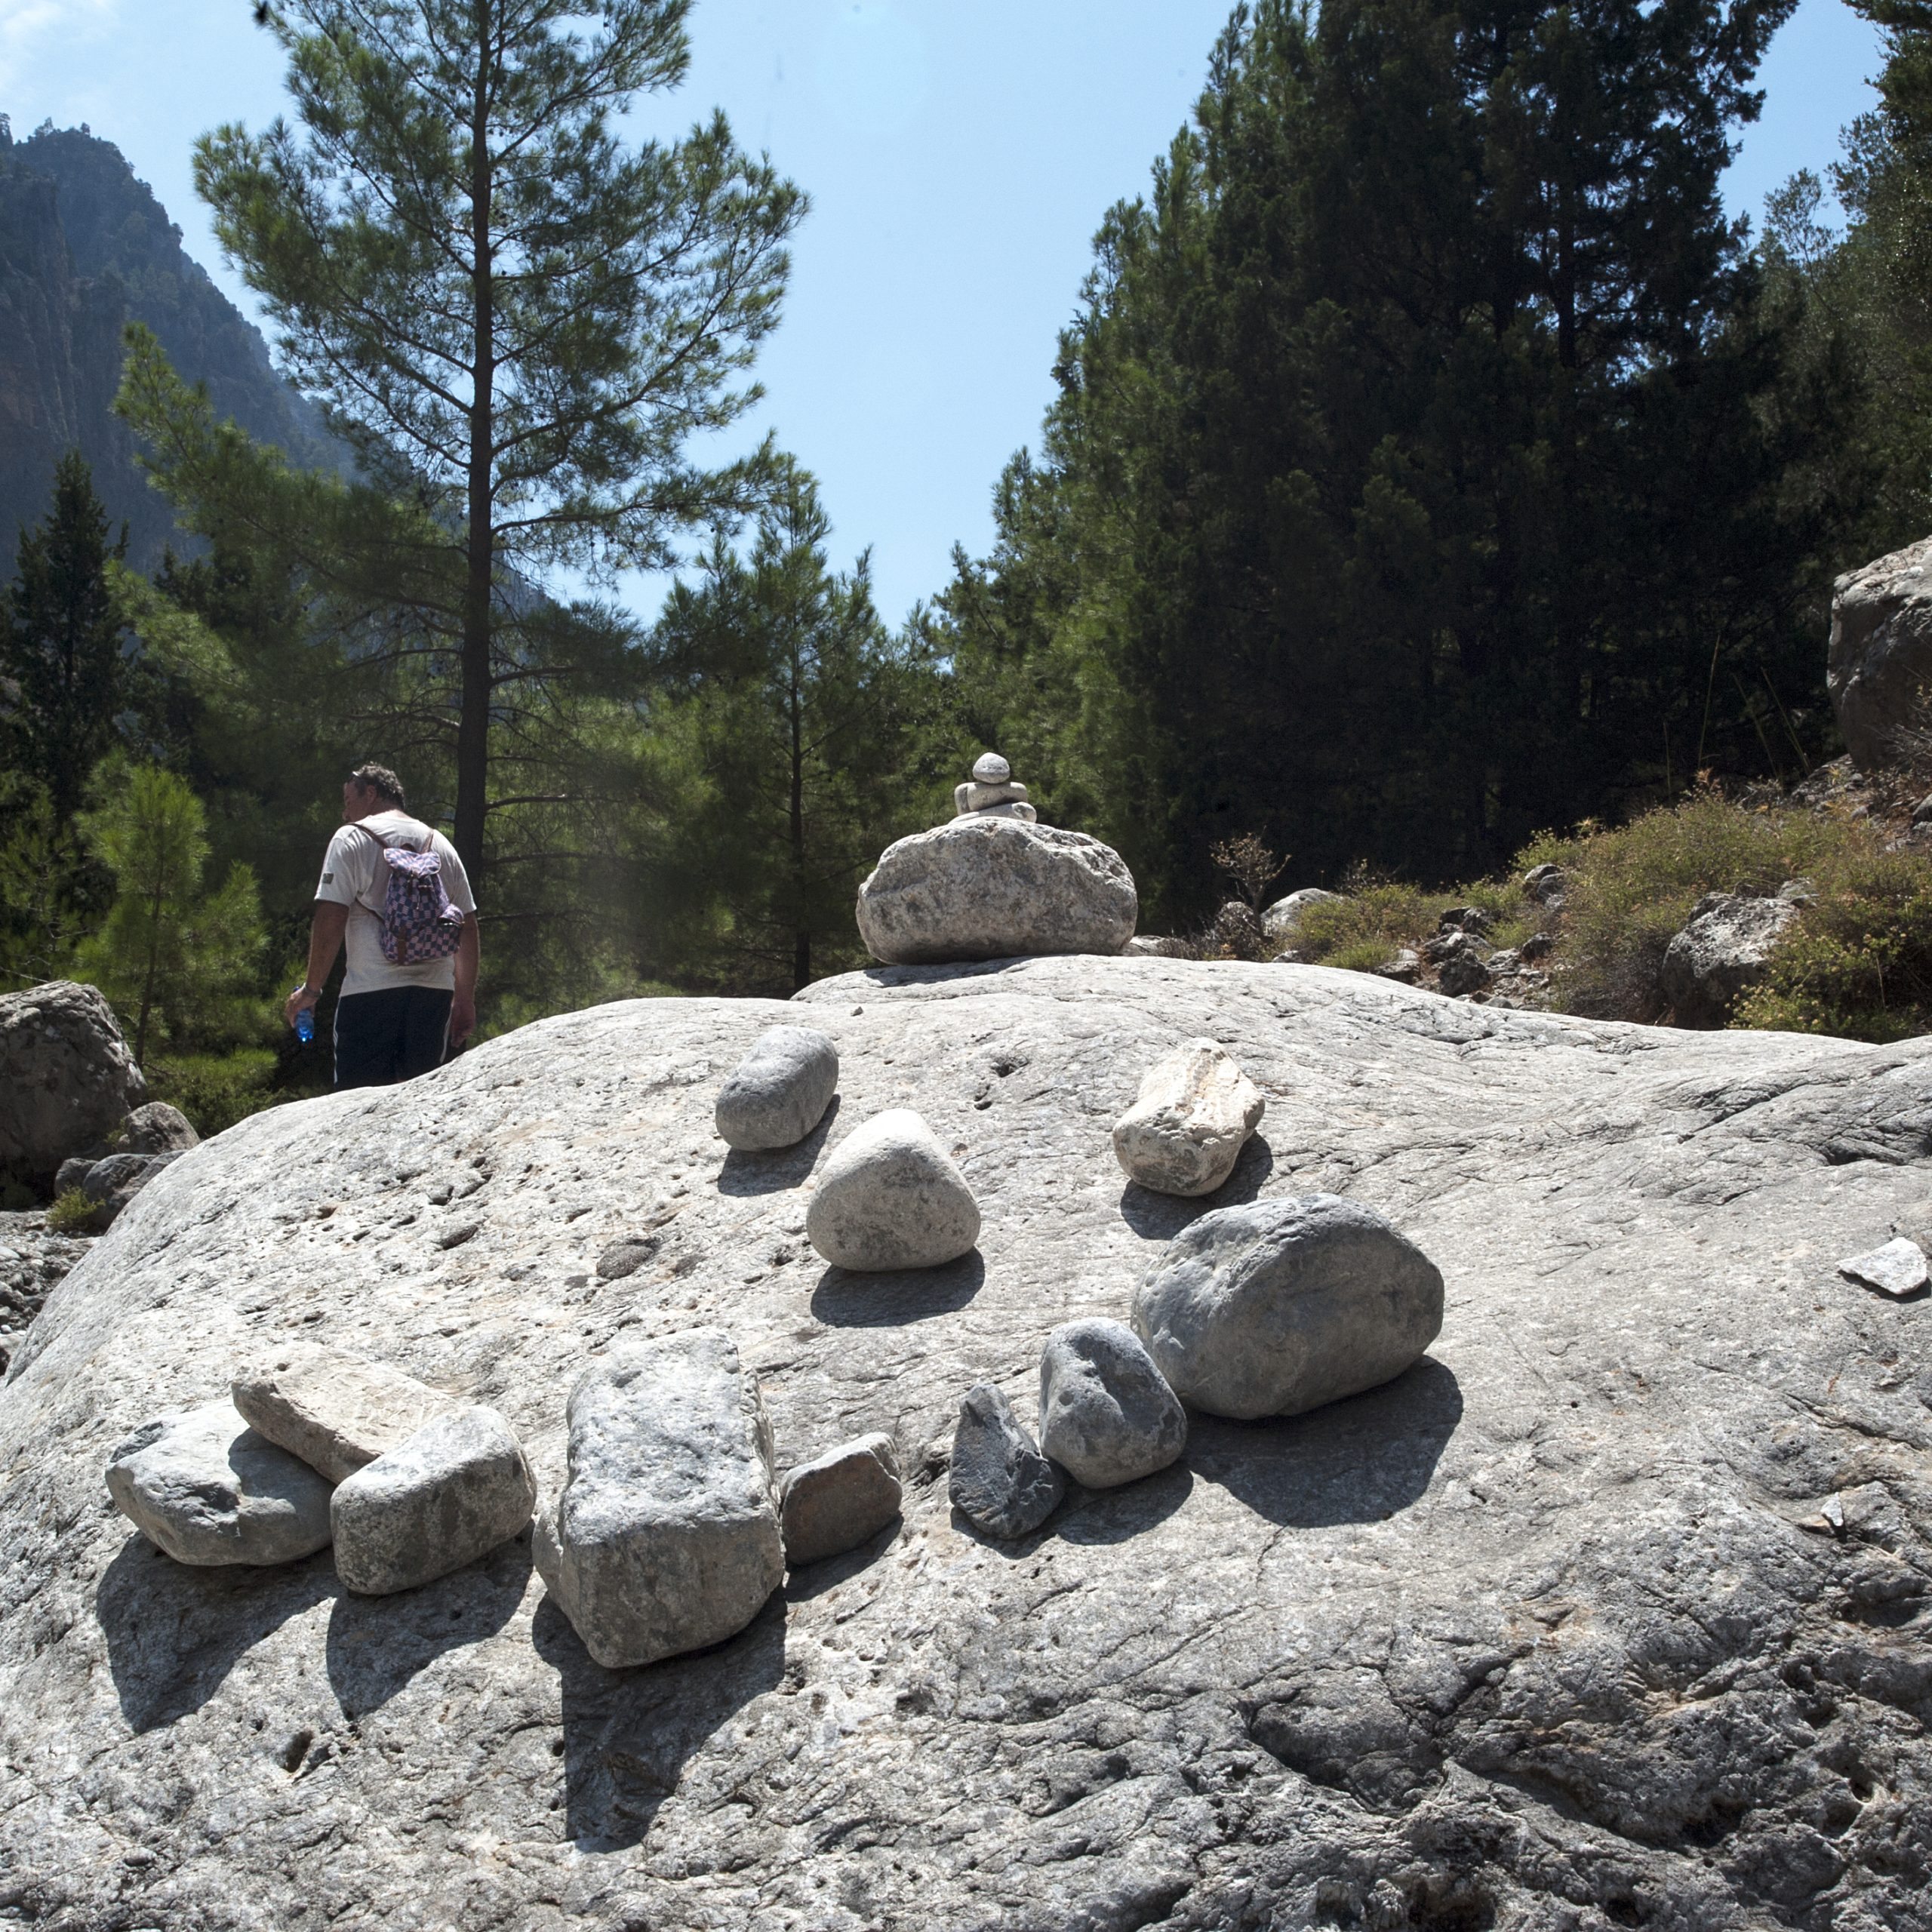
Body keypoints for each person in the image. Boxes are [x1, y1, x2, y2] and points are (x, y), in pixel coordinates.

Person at [285, 764, 479, 1089]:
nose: (346, 812)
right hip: (432, 994)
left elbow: (331, 917)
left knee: (358, 1104)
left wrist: (312, 990)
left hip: (369, 993)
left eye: (349, 800)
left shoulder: (351, 838)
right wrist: (463, 999)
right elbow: (467, 926)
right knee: (417, 1102)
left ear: (371, 793)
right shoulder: (441, 844)